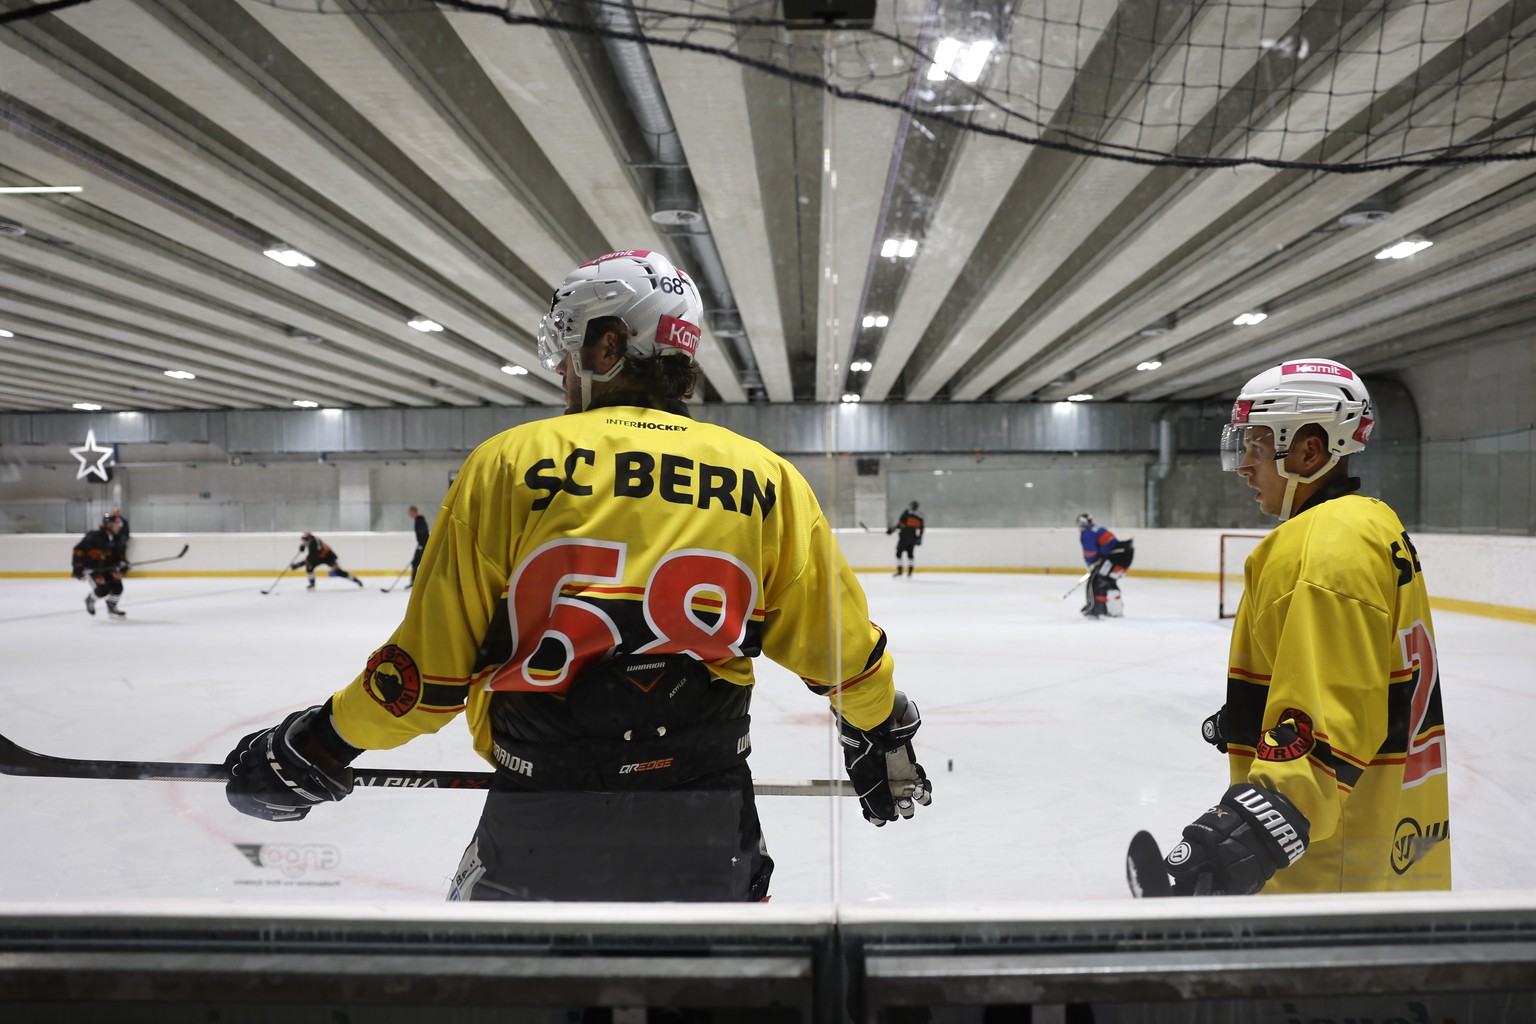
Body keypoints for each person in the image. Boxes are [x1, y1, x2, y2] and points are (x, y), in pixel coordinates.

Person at [224, 248, 932, 902]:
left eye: (569, 352)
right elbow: (846, 660)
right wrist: (882, 732)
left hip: (545, 819)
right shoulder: (769, 477)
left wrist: (314, 747)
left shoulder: (509, 462)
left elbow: (422, 682)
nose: (563, 370)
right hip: (711, 821)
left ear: (608, 346)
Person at [1156, 357, 1450, 895]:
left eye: (1257, 447)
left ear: (1309, 450)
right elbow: (1361, 682)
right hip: (1379, 836)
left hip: (1327, 866)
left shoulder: (1324, 545)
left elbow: (1324, 731)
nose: (1245, 466)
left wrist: (1241, 840)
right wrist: (1248, 717)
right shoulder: (1374, 521)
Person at [1076, 513, 1134, 617]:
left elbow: (1090, 553)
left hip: (1114, 558)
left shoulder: (1087, 532)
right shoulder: (1097, 528)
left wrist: (1092, 563)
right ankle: (1115, 610)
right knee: (1108, 581)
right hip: (1124, 555)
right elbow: (1107, 546)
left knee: (1096, 581)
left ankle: (1096, 609)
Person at [72, 512, 126, 618]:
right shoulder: (94, 536)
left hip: (108, 568)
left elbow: (117, 555)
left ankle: (111, 606)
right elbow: (78, 550)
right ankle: (90, 599)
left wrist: (123, 564)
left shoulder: (116, 538)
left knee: (117, 587)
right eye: (117, 523)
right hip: (94, 569)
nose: (119, 525)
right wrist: (78, 568)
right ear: (109, 524)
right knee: (102, 589)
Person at [291, 531, 365, 590]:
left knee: (338, 572)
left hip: (329, 557)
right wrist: (302, 547)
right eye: (303, 539)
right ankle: (312, 584)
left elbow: (310, 558)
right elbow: (305, 548)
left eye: (306, 539)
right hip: (318, 557)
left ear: (310, 538)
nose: (304, 541)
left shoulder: (314, 544)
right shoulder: (310, 540)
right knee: (309, 567)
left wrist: (298, 565)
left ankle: (355, 580)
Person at [887, 501, 924, 576]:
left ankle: (900, 571)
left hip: (904, 537)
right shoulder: (920, 516)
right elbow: (921, 528)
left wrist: (892, 530)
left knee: (899, 553)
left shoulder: (907, 512)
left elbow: (900, 524)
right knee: (910, 554)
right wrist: (919, 538)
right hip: (913, 538)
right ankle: (910, 572)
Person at [407, 505, 430, 589]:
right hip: (422, 544)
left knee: (416, 563)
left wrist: (421, 545)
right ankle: (414, 581)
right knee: (415, 563)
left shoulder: (419, 519)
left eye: (410, 512)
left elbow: (423, 532)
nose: (409, 514)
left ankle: (415, 582)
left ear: (413, 512)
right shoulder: (419, 519)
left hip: (423, 545)